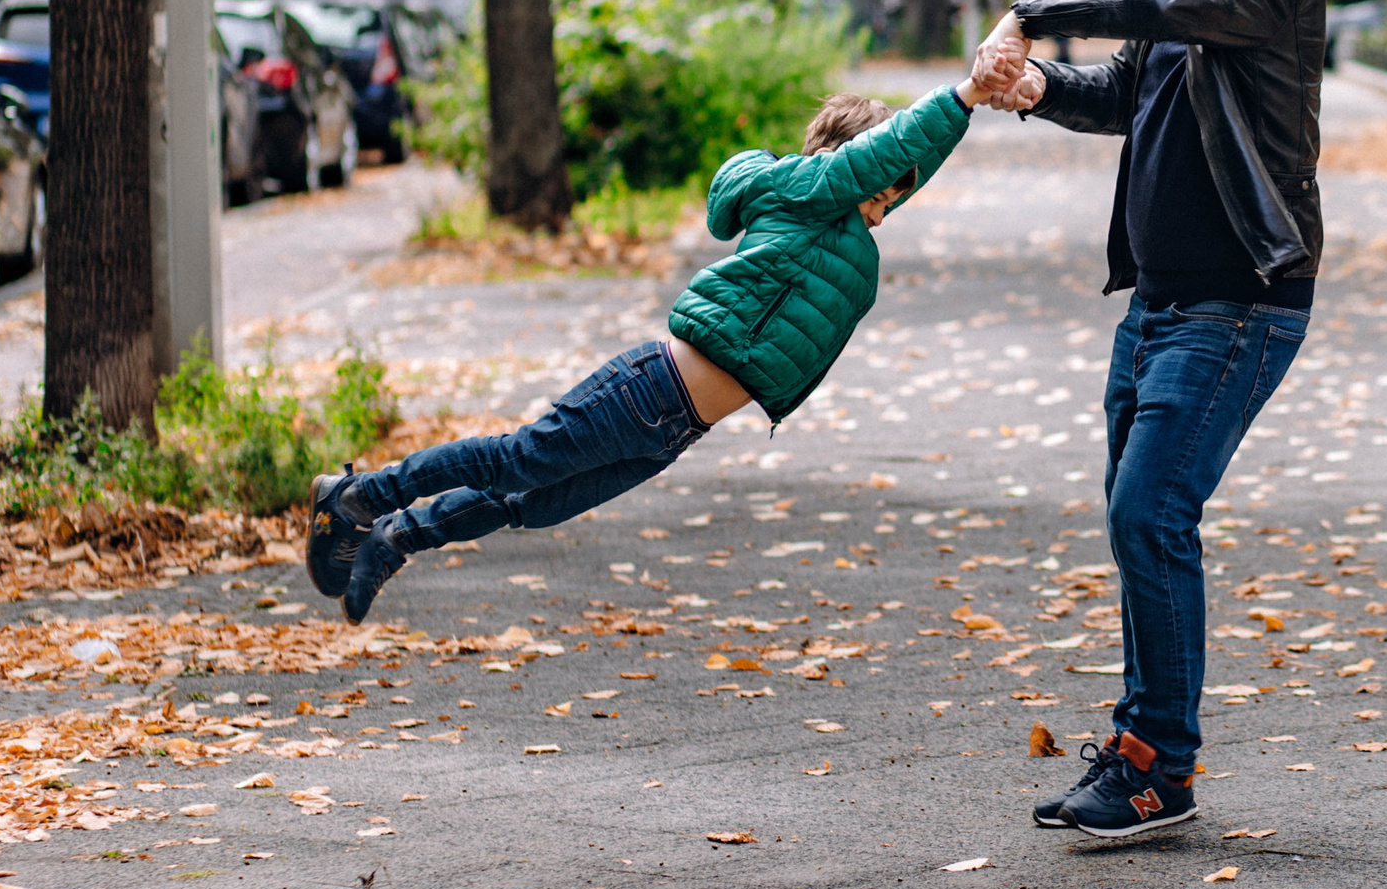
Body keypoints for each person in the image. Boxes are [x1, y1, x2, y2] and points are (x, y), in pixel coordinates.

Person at [303, 68, 1029, 623]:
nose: (884, 205)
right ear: (849, 161)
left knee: (535, 502)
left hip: (677, 427)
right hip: (651, 386)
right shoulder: (809, 190)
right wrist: (962, 94)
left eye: (892, 198)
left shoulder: (841, 222)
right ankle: (362, 496)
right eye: (878, 188)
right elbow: (896, 148)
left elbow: (907, 162)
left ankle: (393, 538)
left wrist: (972, 109)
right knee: (519, 457)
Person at [970, 0, 1324, 839]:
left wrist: (1031, 10)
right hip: (1161, 303)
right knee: (1139, 524)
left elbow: (1152, 9)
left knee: (1147, 516)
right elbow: (1126, 91)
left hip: (1239, 303)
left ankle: (1158, 764)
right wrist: (1032, 85)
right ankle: (1139, 752)